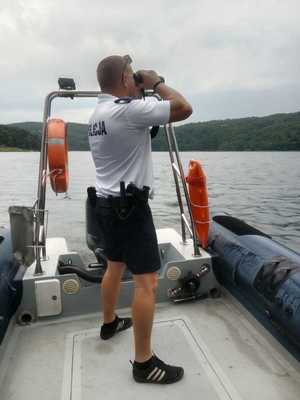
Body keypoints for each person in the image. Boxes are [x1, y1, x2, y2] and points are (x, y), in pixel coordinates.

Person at [88, 55, 193, 384]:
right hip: (130, 209)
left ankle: (108, 324)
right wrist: (155, 83)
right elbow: (184, 108)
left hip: (105, 205)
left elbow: (137, 134)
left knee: (114, 267)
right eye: (132, 75)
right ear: (123, 78)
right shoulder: (128, 111)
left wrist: (137, 91)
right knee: (147, 283)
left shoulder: (98, 114)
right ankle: (144, 363)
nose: (136, 79)